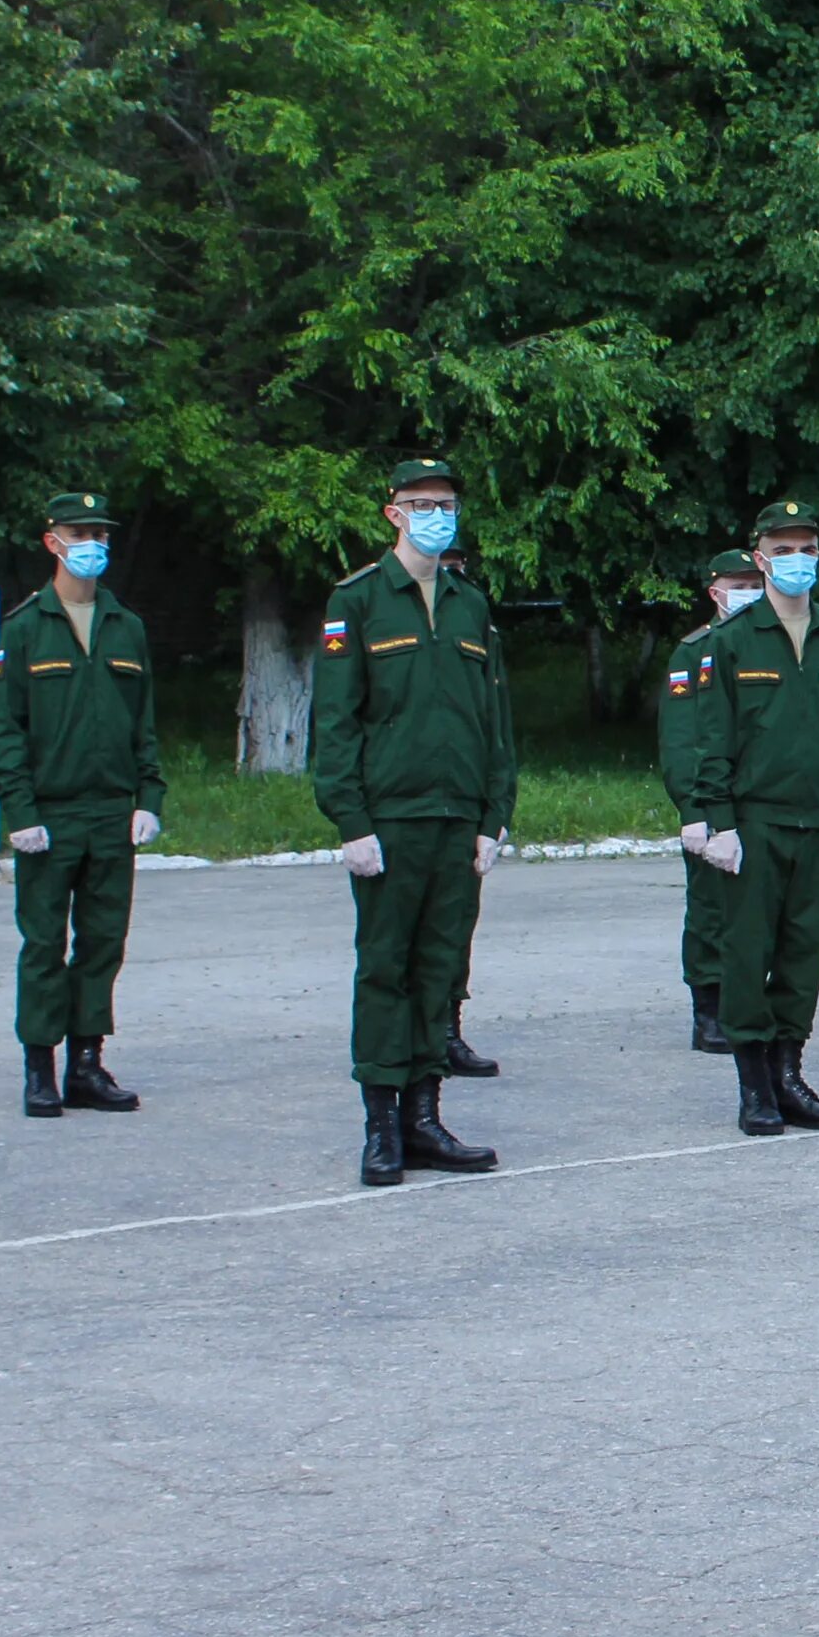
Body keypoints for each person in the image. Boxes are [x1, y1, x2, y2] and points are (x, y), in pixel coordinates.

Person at [312, 458, 512, 1186]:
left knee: (438, 972)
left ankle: (426, 1117)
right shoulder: (359, 602)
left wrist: (496, 814)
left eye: (447, 502)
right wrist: (350, 821)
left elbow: (495, 721)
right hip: (390, 820)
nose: (436, 513)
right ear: (392, 512)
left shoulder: (468, 604)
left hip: (458, 818)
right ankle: (381, 1126)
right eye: (420, 502)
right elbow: (335, 723)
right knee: (385, 970)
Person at [691, 500, 819, 1137]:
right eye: (784, 549)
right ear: (760, 557)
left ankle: (789, 1073)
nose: (797, 560)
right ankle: (755, 1087)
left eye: (807, 548)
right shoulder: (732, 639)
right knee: (748, 953)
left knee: (803, 953)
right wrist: (717, 821)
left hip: (816, 821)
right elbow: (710, 738)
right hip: (755, 821)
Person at [0, 490, 166, 1119]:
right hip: (51, 813)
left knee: (102, 942)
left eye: (101, 534)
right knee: (42, 943)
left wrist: (149, 795)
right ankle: (41, 1066)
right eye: (79, 533)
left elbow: (142, 723)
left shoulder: (126, 626)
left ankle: (86, 1063)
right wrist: (20, 811)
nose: (93, 545)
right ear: (52, 542)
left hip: (112, 810)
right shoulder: (25, 626)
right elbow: (5, 729)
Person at [661, 549, 766, 1051]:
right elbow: (683, 739)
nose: (749, 591)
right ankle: (708, 1010)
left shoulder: (769, 646)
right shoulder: (693, 653)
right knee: (708, 908)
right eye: (738, 584)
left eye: (755, 581)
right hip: (710, 799)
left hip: (761, 801)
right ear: (715, 592)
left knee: (756, 912)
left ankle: (746, 1001)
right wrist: (692, 809)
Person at [438, 561, 515, 1079]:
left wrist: (498, 805)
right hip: (407, 806)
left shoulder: (475, 619)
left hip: (465, 803)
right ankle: (414, 1040)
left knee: (455, 925)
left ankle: (447, 1029)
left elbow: (496, 720)